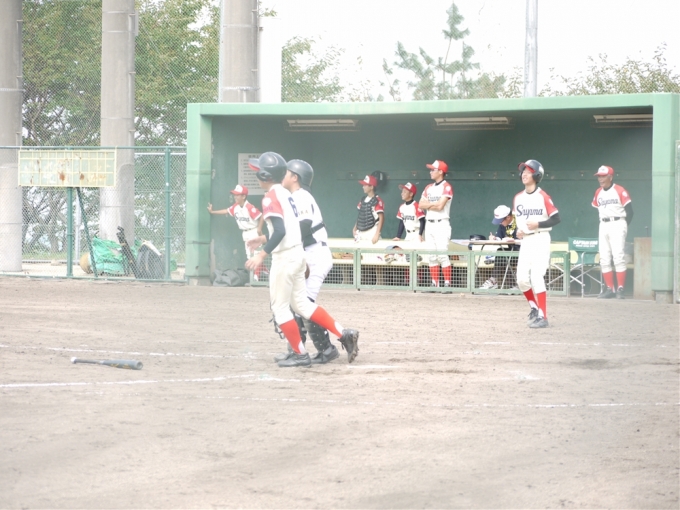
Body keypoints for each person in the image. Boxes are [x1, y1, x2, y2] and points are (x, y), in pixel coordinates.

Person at [245, 152, 359, 368]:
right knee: (302, 305)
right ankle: (340, 335)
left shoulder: (278, 195)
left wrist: (262, 254)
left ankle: (302, 353)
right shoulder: (287, 194)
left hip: (297, 255)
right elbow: (290, 229)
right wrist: (264, 239)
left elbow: (284, 230)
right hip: (299, 253)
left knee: (281, 308)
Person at [274, 158, 339, 364]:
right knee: (295, 304)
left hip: (314, 254)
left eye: (286, 173)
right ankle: (297, 349)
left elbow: (302, 228)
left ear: (295, 177)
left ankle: (327, 349)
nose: (283, 176)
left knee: (303, 304)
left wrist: (297, 256)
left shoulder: (301, 196)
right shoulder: (293, 197)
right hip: (307, 252)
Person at [513, 160, 561, 329]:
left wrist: (538, 224)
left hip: (541, 238)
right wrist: (519, 232)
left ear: (537, 175)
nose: (524, 174)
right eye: (523, 171)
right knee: (521, 279)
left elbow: (556, 218)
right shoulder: (518, 198)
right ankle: (534, 307)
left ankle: (543, 316)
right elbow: (519, 223)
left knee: (536, 277)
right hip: (526, 240)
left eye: (528, 171)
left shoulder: (542, 196)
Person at [592, 165, 633, 299]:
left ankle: (620, 289)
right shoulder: (598, 192)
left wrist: (623, 226)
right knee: (604, 258)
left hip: (618, 222)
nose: (600, 179)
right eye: (599, 176)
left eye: (603, 176)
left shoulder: (619, 190)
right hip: (603, 224)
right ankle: (610, 289)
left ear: (610, 177)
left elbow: (630, 212)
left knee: (618, 256)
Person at [207, 184, 264, 281]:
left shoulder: (249, 207)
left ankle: (256, 279)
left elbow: (261, 216)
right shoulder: (236, 207)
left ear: (243, 196)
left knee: (256, 255)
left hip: (253, 231)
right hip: (245, 233)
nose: (235, 196)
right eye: (234, 194)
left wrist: (259, 229)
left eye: (237, 195)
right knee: (249, 255)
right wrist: (213, 212)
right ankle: (263, 273)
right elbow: (226, 211)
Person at [418, 159, 454, 287]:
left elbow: (440, 207)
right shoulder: (428, 187)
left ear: (440, 171)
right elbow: (420, 204)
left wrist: (429, 204)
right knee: (432, 256)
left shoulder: (446, 186)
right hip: (429, 224)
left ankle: (447, 284)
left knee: (442, 255)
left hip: (441, 223)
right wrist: (434, 204)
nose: (430, 172)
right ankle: (435, 283)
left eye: (433, 170)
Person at [480, 205, 520, 289]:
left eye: (501, 221)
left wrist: (514, 240)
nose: (500, 223)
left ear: (508, 217)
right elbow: (499, 237)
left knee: (505, 256)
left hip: (522, 251)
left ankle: (497, 281)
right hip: (509, 251)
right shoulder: (502, 224)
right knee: (501, 252)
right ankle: (495, 281)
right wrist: (494, 238)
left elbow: (526, 240)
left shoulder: (520, 222)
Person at [352, 174, 384, 245]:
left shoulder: (377, 200)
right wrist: (355, 228)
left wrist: (377, 234)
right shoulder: (363, 200)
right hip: (361, 231)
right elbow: (361, 216)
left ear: (371, 187)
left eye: (365, 185)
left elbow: (381, 218)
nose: (363, 187)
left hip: (372, 231)